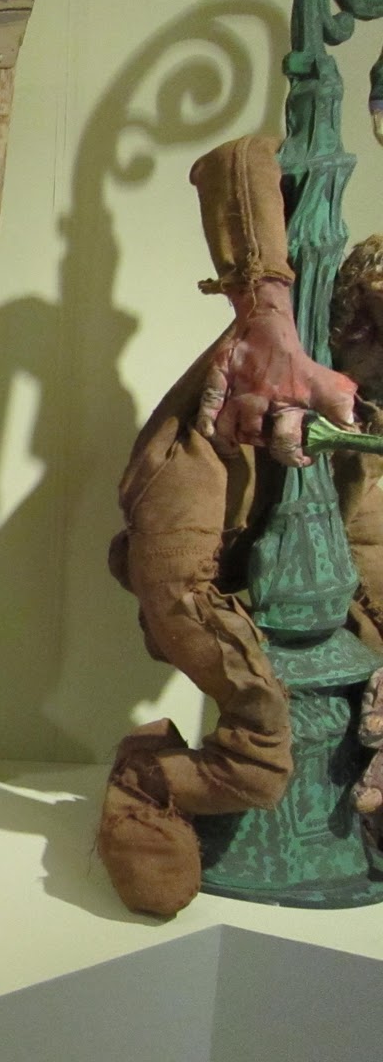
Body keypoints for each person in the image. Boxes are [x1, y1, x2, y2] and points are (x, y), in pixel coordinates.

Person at [98, 136, 383, 916]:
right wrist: (267, 316)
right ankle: (147, 777)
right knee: (259, 763)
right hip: (207, 569)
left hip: (298, 597)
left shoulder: (360, 420)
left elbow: (369, 544)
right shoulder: (246, 381)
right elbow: (241, 161)